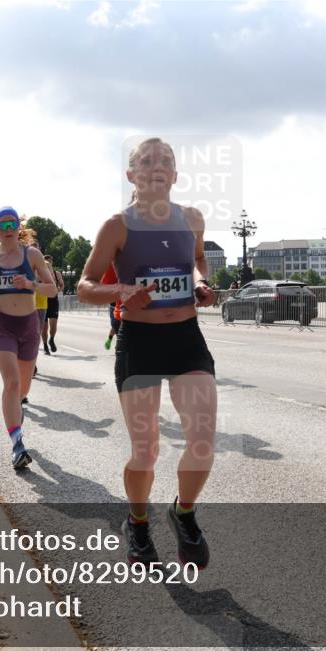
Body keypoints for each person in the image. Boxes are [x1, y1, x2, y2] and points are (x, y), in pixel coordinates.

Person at [77, 137, 217, 569]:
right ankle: (137, 522)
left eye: (167, 161)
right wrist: (121, 291)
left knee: (203, 440)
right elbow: (83, 286)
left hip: (186, 339)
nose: (158, 166)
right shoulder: (116, 227)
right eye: (148, 160)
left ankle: (183, 512)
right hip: (138, 341)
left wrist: (199, 282)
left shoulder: (192, 219)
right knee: (146, 449)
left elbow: (196, 260)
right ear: (132, 174)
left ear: (175, 176)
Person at [0, 207, 57, 470]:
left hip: (28, 325)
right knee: (11, 382)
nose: (8, 230)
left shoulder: (32, 255)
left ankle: (16, 417)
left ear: (19, 228)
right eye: (2, 225)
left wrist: (30, 285)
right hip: (1, 325)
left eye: (12, 225)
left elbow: (52, 289)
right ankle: (17, 444)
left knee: (22, 390)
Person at [43, 254, 65, 353]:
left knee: (53, 323)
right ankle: (45, 346)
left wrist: (57, 289)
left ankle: (51, 339)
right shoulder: (39, 273)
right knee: (44, 326)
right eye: (47, 262)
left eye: (50, 262)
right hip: (42, 299)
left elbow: (62, 285)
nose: (49, 264)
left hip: (53, 299)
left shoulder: (57, 274)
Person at [100, 263, 122, 350]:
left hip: (125, 307)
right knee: (115, 325)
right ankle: (114, 343)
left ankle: (116, 344)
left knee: (116, 326)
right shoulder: (112, 263)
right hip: (114, 306)